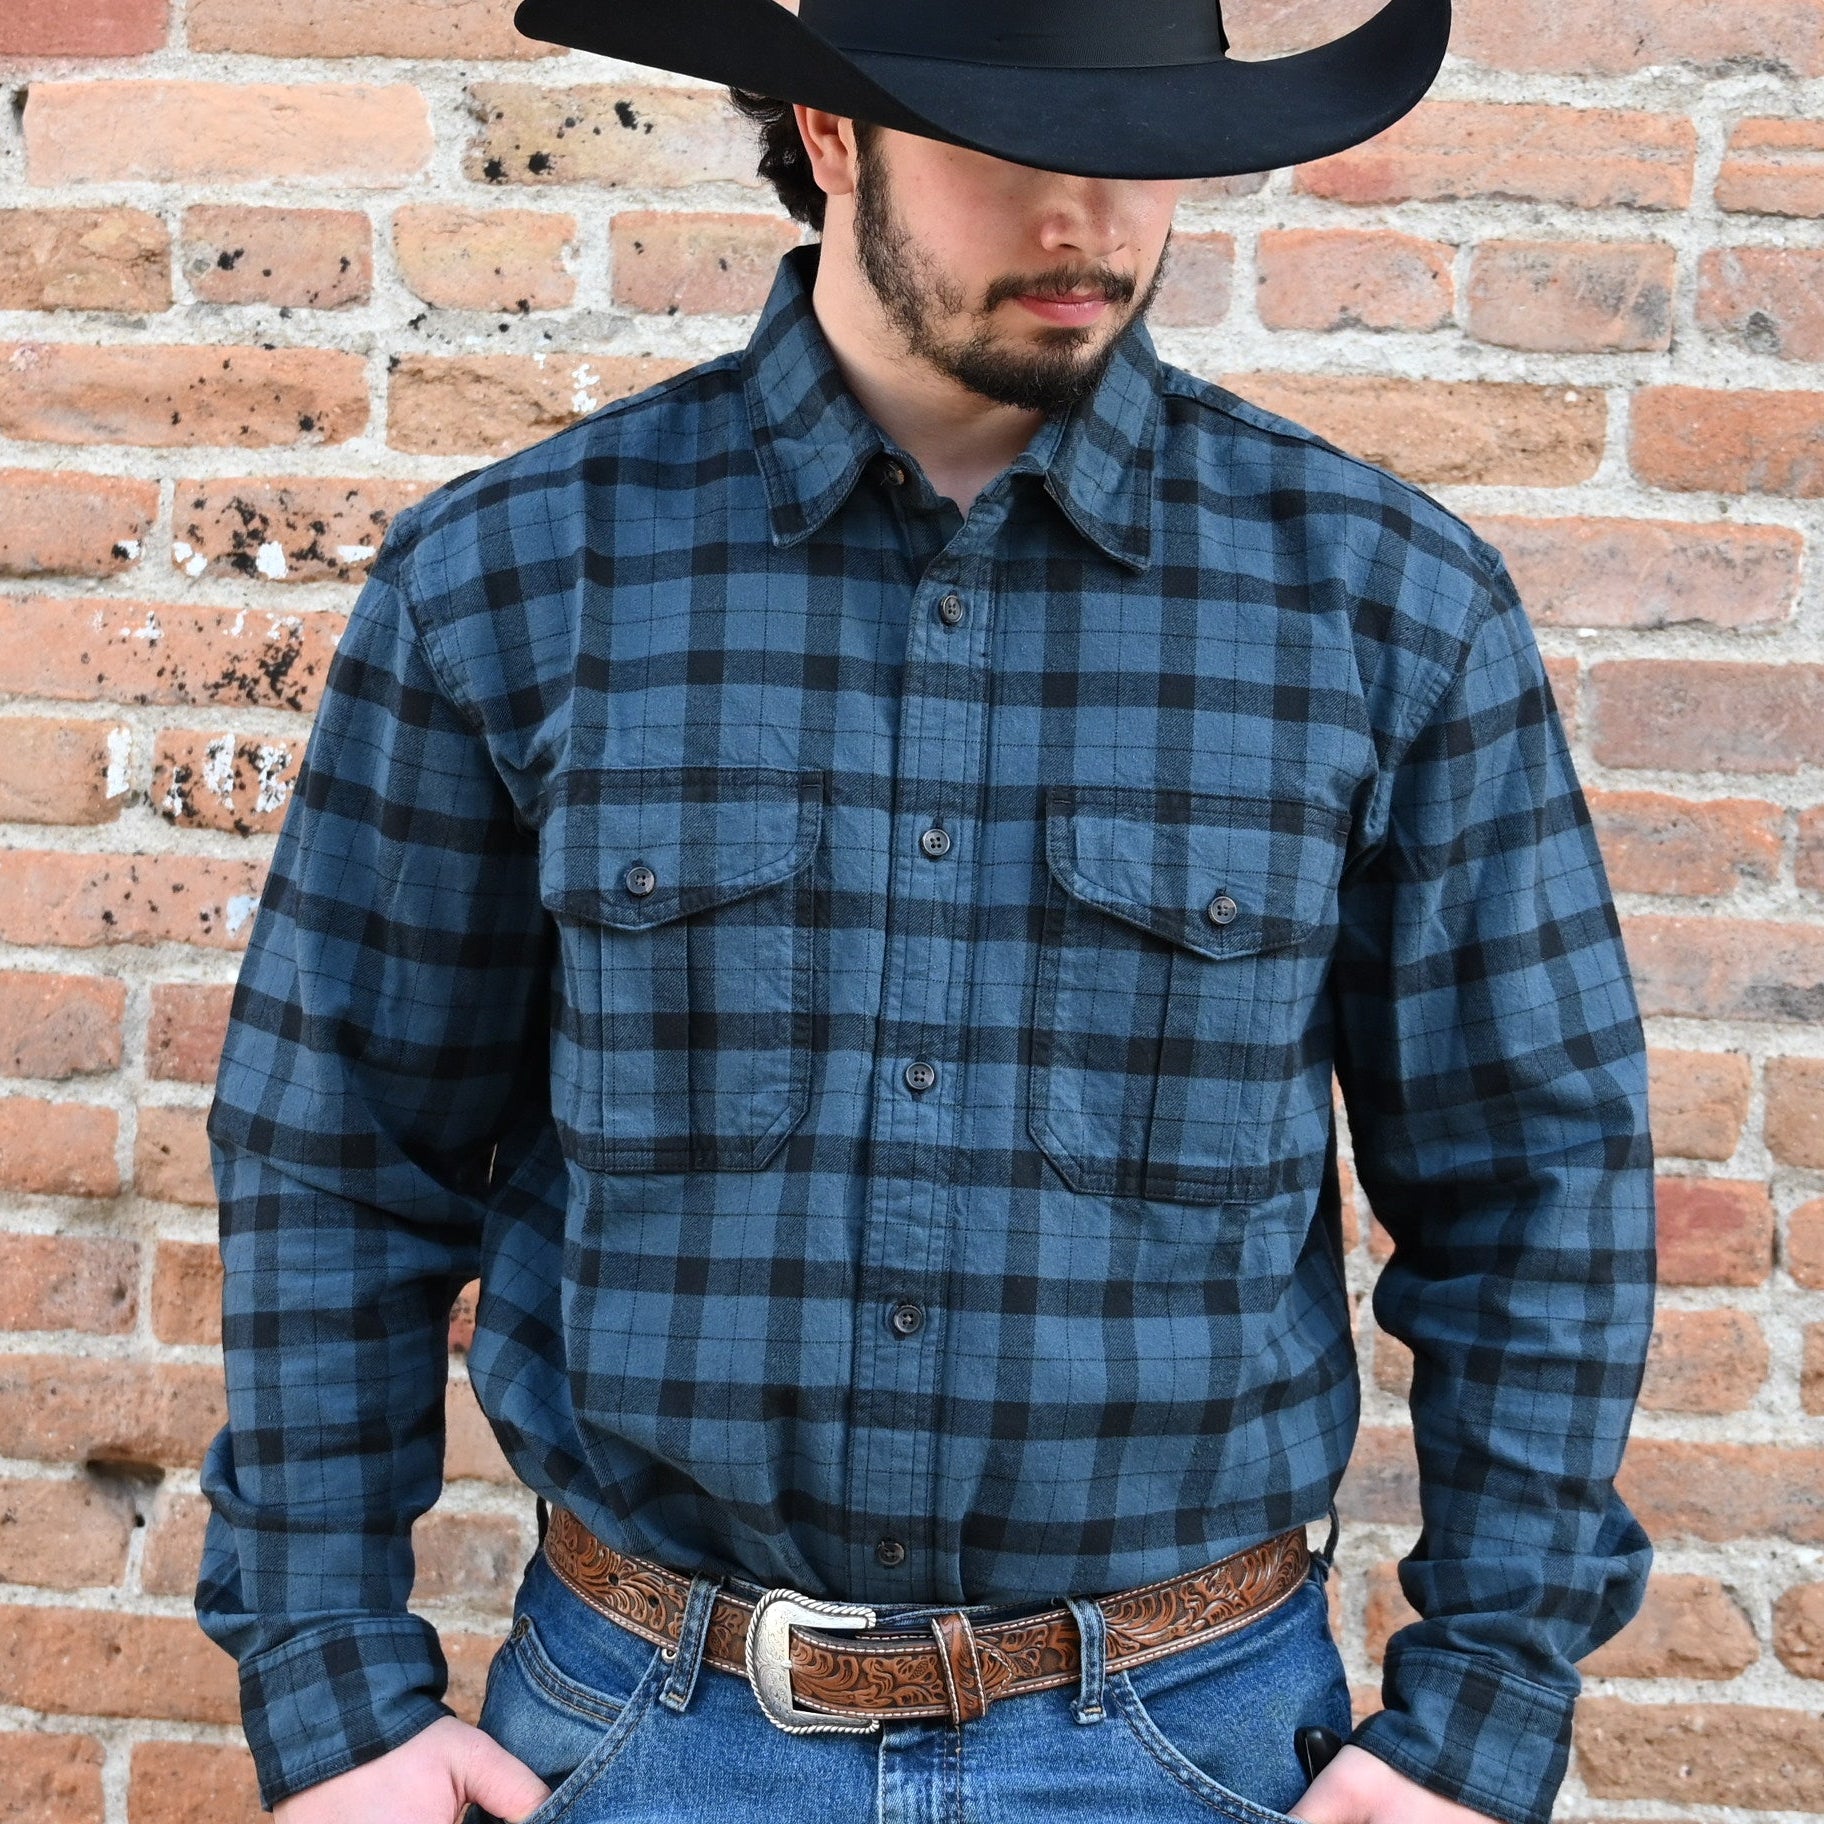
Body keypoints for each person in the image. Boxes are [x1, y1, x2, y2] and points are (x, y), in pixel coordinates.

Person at [196, 2, 1656, 1822]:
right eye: (1013, 149)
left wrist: (1478, 1718)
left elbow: (1537, 1181)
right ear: (827, 132)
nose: (1089, 221)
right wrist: (334, 1694)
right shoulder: (518, 579)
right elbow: (339, 1147)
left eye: (1140, 151)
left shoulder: (1381, 608)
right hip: (650, 1731)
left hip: (1191, 1741)